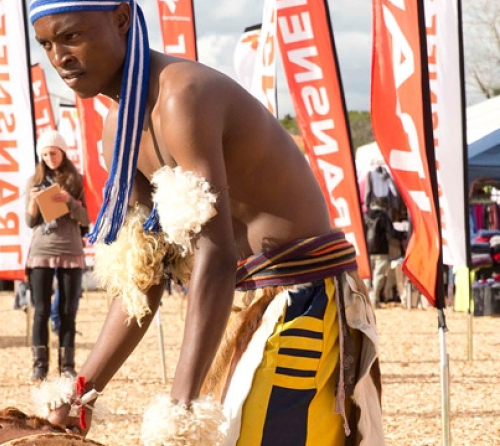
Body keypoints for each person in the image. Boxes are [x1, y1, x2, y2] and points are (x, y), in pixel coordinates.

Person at [29, 1, 384, 445]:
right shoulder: (117, 128)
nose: (59, 57)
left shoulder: (182, 94)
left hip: (304, 299)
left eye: (71, 36)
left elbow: (213, 253)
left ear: (121, 19)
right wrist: (82, 392)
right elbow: (145, 274)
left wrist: (181, 407)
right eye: (46, 44)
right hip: (237, 308)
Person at [26, 130, 90, 381]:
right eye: (44, 154)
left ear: (62, 152)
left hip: (71, 250)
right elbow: (30, 222)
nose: (48, 158)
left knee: (68, 310)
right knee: (41, 310)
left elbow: (86, 220)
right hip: (42, 250)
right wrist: (33, 203)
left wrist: (70, 202)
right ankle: (39, 366)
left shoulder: (78, 181)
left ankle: (67, 366)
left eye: (52, 152)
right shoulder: (33, 181)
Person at [364, 196, 396, 308]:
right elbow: (391, 233)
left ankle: (366, 299)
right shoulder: (384, 217)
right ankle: (374, 299)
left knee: (367, 275)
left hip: (366, 250)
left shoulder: (365, 216)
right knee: (378, 276)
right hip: (381, 250)